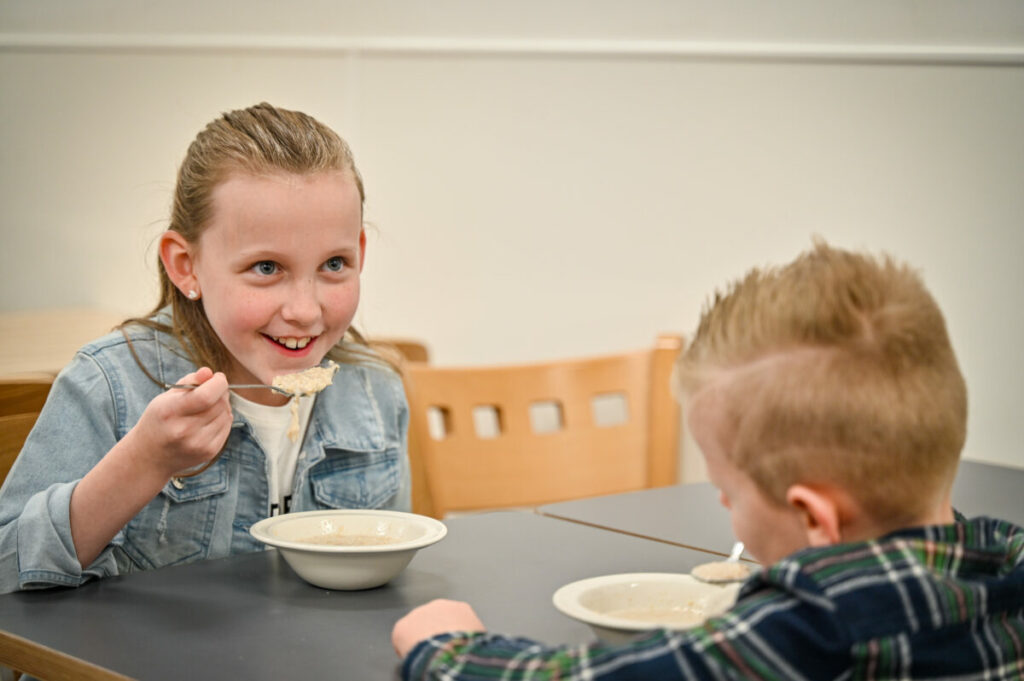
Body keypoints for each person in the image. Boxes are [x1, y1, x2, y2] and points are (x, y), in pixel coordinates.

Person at [391, 241, 1024, 680]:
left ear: (814, 518)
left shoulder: (815, 628)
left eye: (727, 491)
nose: (723, 507)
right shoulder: (1005, 566)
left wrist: (447, 648)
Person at [0, 103, 410, 594]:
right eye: (266, 267)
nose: (305, 310)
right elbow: (7, 572)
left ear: (360, 255)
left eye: (334, 263)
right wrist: (144, 463)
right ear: (186, 266)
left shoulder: (376, 392)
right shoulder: (109, 387)